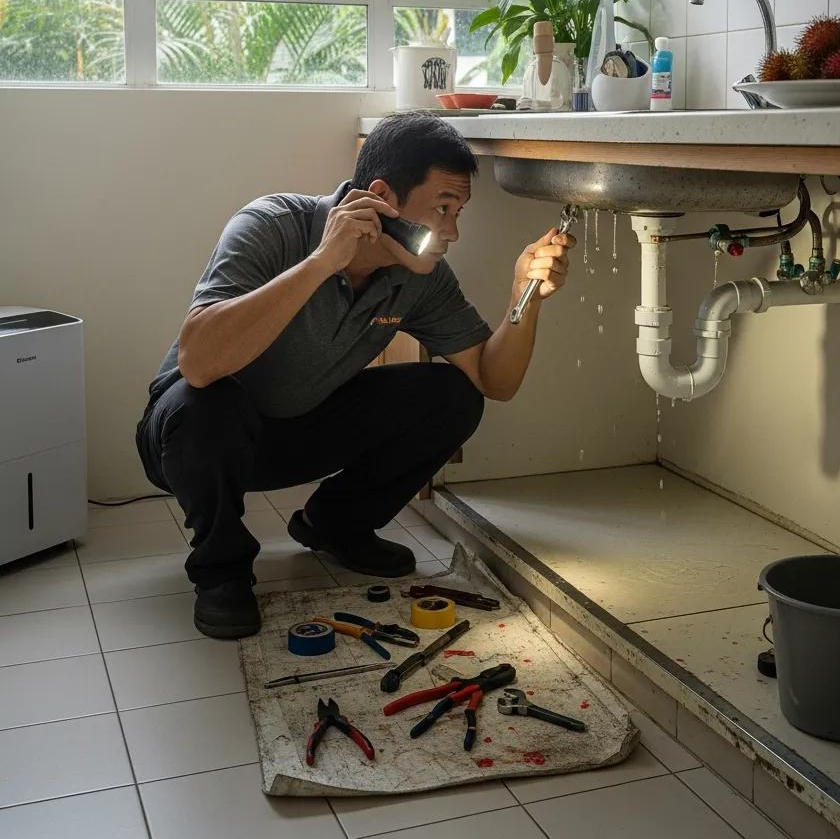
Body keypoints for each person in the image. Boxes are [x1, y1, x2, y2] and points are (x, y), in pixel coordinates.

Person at [135, 112, 575, 639]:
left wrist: (524, 297)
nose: (452, 231)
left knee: (453, 395)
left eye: (458, 211)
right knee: (204, 404)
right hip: (191, 438)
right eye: (441, 208)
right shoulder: (274, 224)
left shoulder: (422, 278)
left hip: (299, 427)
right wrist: (323, 262)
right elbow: (198, 362)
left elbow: (492, 380)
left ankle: (336, 526)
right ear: (382, 197)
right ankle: (221, 570)